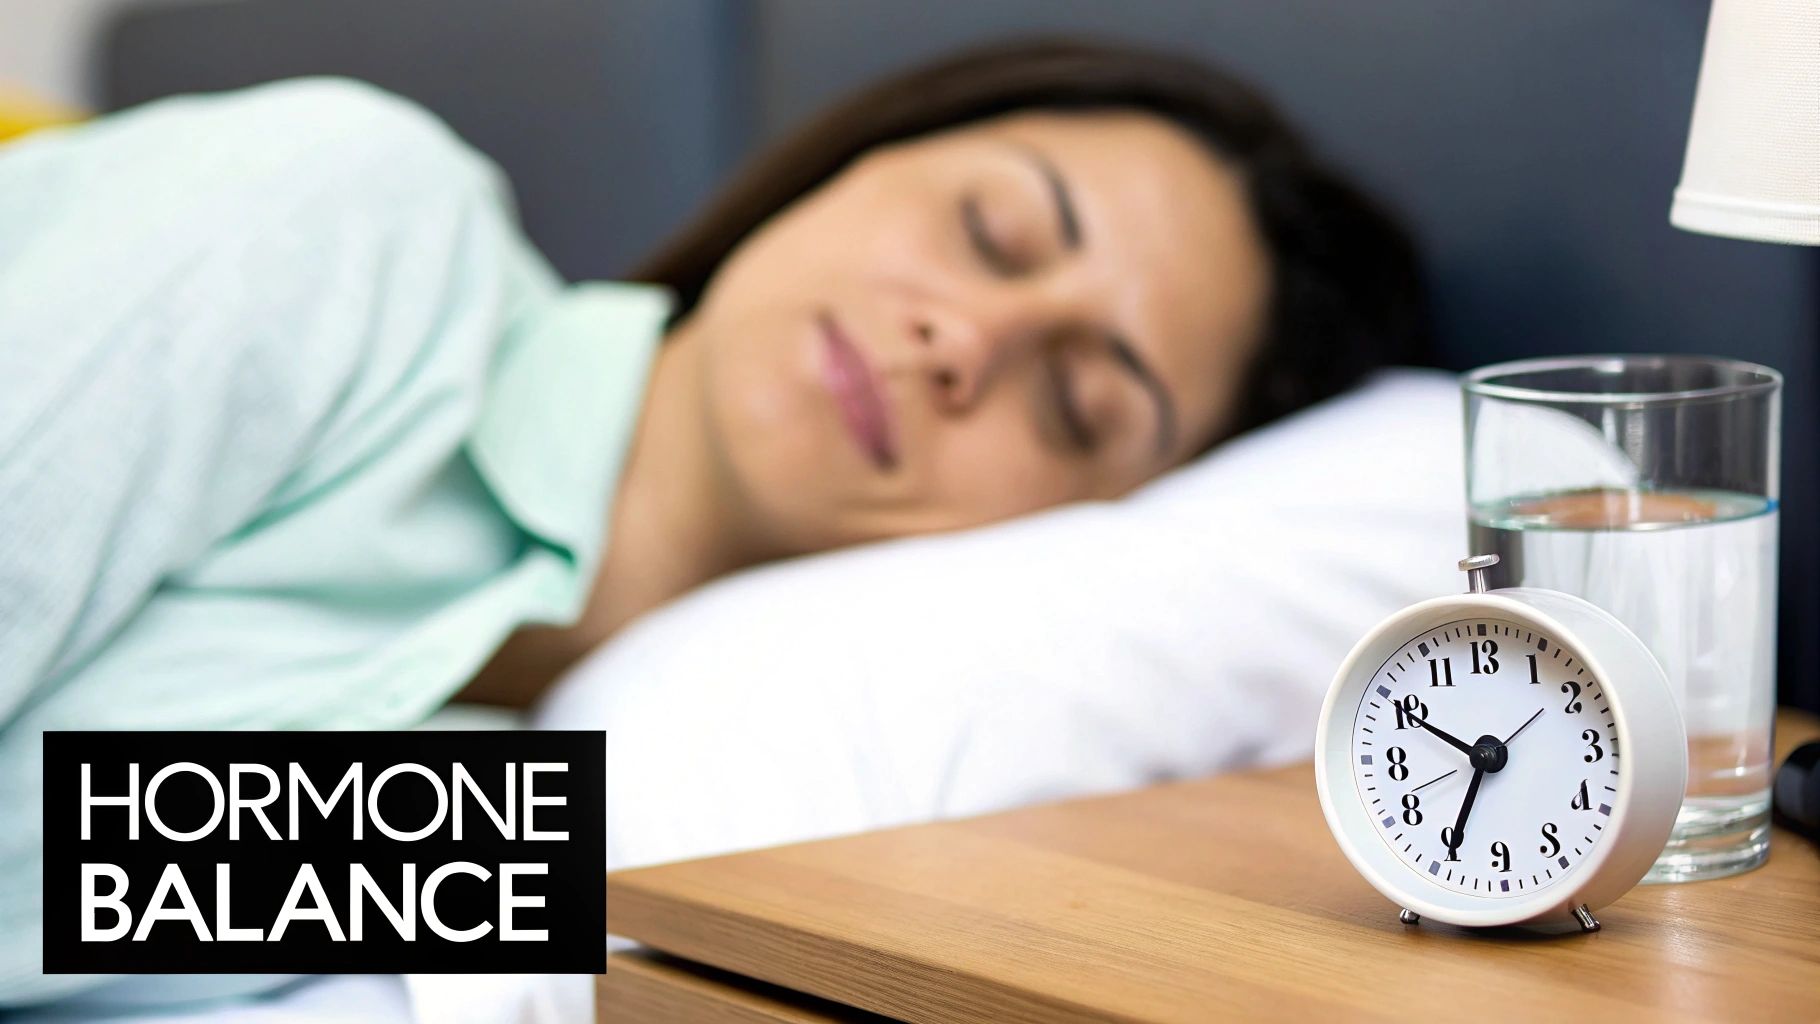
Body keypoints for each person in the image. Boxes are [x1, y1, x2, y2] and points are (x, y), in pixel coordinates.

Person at [0, 39, 1426, 1004]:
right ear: (852, 161)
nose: (965, 338)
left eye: (1076, 408)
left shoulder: (542, 825)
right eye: (989, 230)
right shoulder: (355, 219)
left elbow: (58, 876)